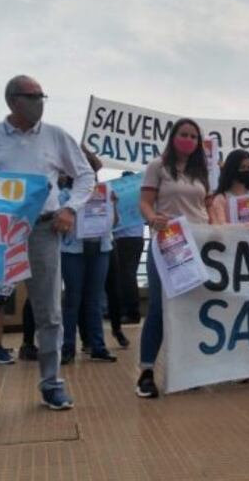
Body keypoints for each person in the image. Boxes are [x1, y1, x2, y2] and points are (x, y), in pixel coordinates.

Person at [0, 74, 94, 412]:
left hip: (43, 230)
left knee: (49, 310)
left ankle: (51, 384)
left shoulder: (56, 136)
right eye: (32, 96)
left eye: (42, 96)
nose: (40, 102)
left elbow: (86, 175)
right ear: (12, 101)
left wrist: (69, 209)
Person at [136, 118, 212, 398]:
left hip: (199, 242)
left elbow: (207, 205)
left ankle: (187, 369)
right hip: (169, 241)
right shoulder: (158, 166)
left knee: (190, 308)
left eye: (194, 136)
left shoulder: (202, 171)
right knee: (158, 306)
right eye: (184, 134)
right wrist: (151, 217)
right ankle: (146, 372)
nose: (188, 140)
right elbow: (145, 201)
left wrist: (217, 228)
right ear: (173, 136)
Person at [58, 165, 118, 365]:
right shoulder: (65, 195)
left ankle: (97, 347)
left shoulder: (104, 192)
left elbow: (115, 223)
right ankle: (67, 347)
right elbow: (60, 225)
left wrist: (112, 206)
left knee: (95, 298)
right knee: (72, 300)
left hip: (100, 248)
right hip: (73, 250)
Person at [208, 150, 249, 227]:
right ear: (232, 169)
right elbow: (221, 227)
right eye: (242, 167)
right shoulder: (221, 199)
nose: (246, 171)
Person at [112, 171, 145, 326]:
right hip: (136, 238)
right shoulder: (139, 197)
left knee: (126, 276)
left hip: (125, 238)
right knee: (126, 275)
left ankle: (131, 311)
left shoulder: (122, 197)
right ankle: (128, 310)